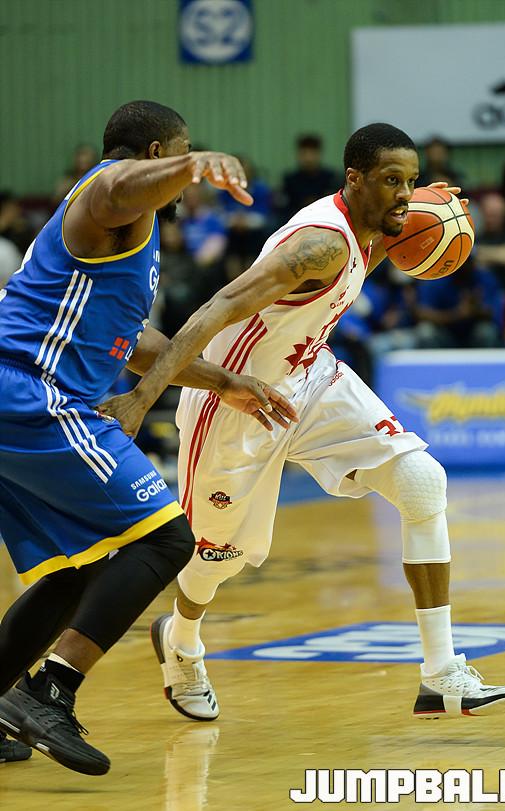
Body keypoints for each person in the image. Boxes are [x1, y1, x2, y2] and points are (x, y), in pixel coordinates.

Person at [99, 122, 505, 723]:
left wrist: (433, 215)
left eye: (412, 181)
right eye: (392, 180)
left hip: (310, 378)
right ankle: (182, 639)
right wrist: (143, 396)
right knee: (218, 557)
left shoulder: (371, 226)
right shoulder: (320, 245)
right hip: (236, 400)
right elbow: (216, 308)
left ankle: (441, 673)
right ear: (355, 179)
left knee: (422, 481)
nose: (406, 193)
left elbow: (378, 249)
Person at [0, 100, 297, 775]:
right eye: (181, 156)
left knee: (77, 569)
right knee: (165, 539)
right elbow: (115, 184)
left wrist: (224, 380)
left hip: (20, 398)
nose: (187, 179)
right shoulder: (108, 196)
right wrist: (194, 164)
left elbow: (132, 343)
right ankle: (50, 691)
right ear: (160, 153)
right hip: (32, 393)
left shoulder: (125, 239)